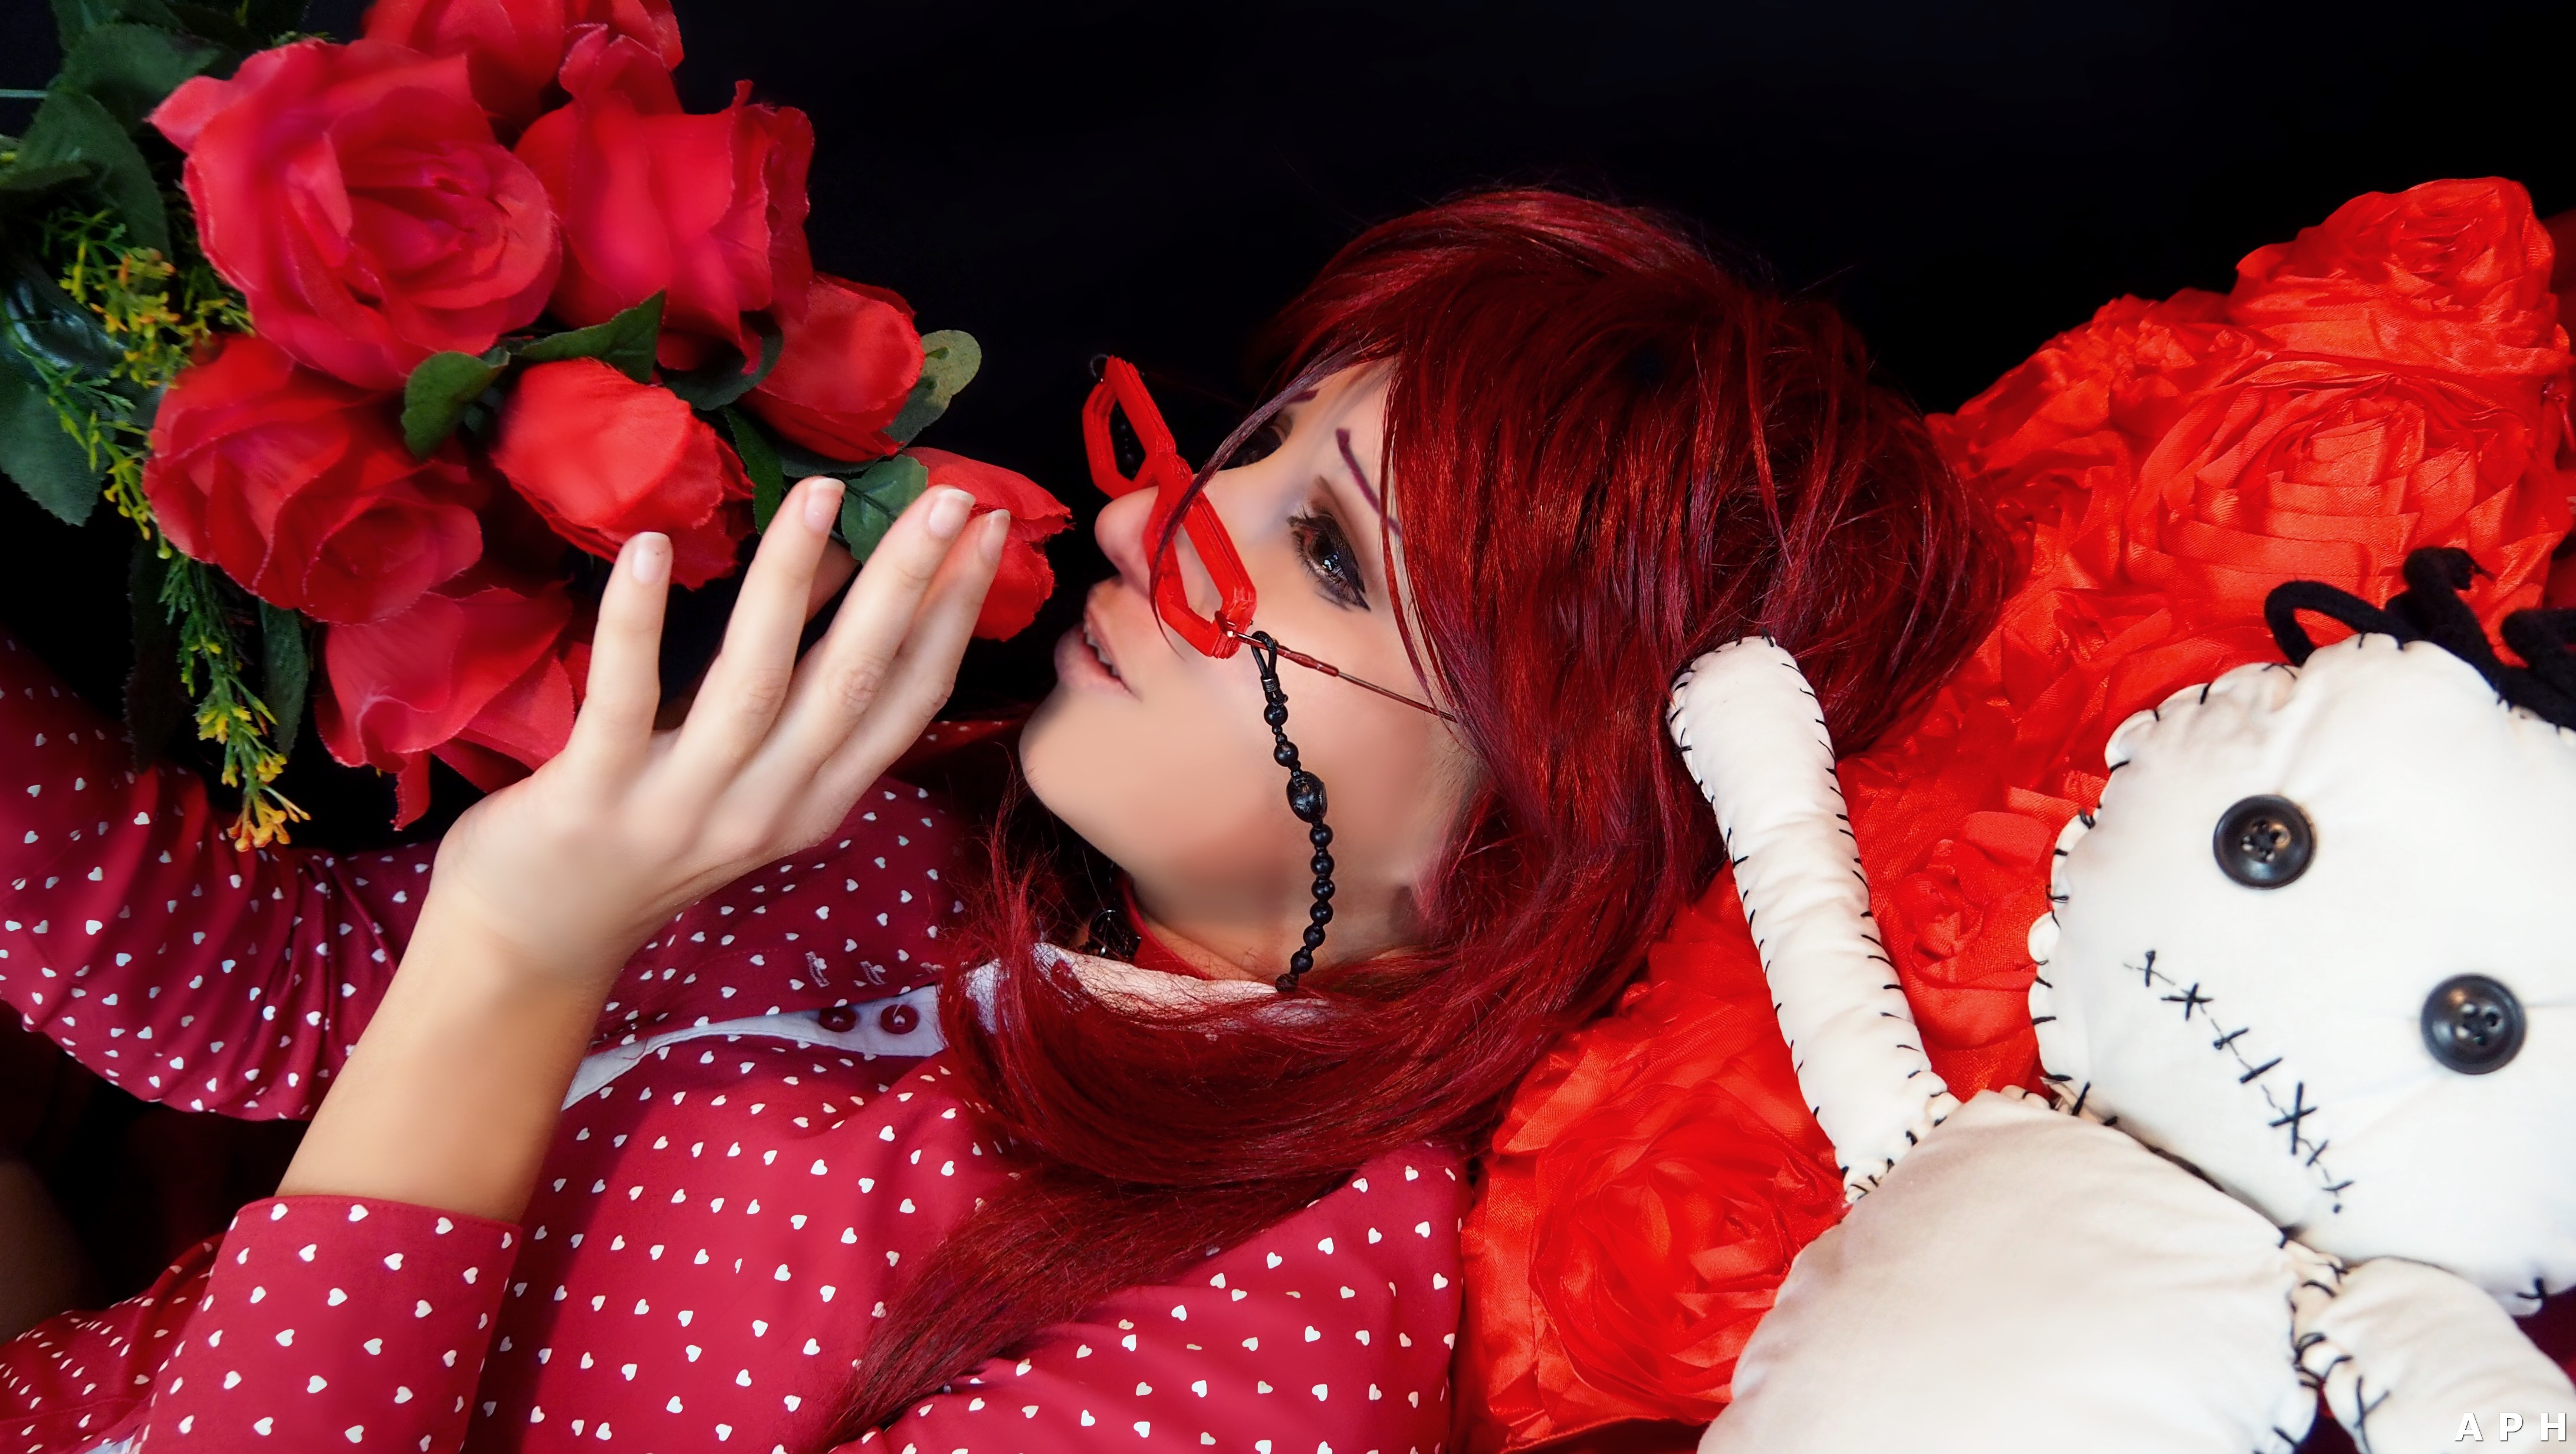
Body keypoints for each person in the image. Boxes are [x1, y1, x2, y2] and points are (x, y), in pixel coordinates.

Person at [0, 189, 2005, 1452]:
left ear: (1527, 834)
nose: (1140, 517)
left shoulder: (1295, 1319)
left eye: (1321, 553)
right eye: (1241, 450)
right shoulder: (931, 831)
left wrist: (521, 950)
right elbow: (267, 989)